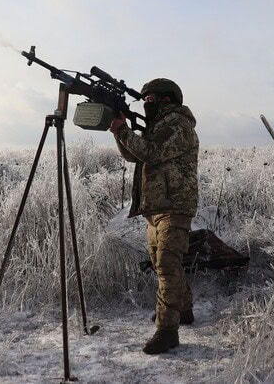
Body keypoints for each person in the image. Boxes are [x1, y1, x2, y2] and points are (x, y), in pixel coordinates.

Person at [109, 78, 199, 355]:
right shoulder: (158, 126)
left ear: (166, 100)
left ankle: (167, 330)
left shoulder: (177, 125)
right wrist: (119, 131)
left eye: (150, 99)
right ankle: (182, 311)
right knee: (163, 261)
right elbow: (135, 155)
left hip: (174, 205)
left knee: (166, 264)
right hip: (157, 206)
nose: (146, 104)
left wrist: (125, 130)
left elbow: (152, 151)